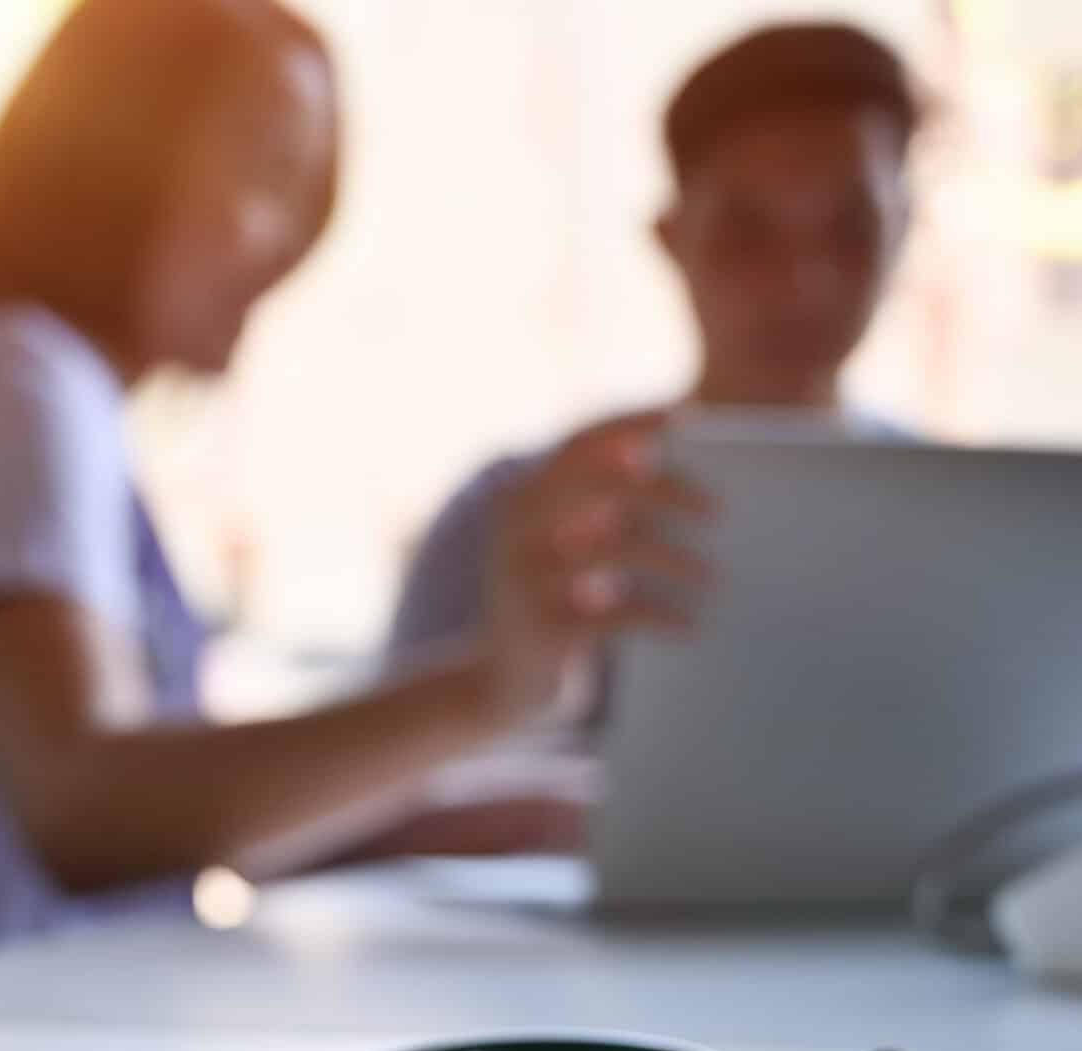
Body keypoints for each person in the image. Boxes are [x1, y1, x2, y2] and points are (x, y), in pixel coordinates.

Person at [0, 0, 701, 995]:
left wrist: (522, 804)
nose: (289, 246)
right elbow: (91, 814)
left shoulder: (46, 403)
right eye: (268, 175)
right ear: (113, 158)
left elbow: (187, 822)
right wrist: (488, 690)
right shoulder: (9, 384)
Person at [386, 21, 921, 805]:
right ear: (672, 238)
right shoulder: (515, 523)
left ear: (902, 235)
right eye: (746, 236)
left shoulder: (964, 525)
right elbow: (351, 813)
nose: (800, 283)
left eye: (850, 233)